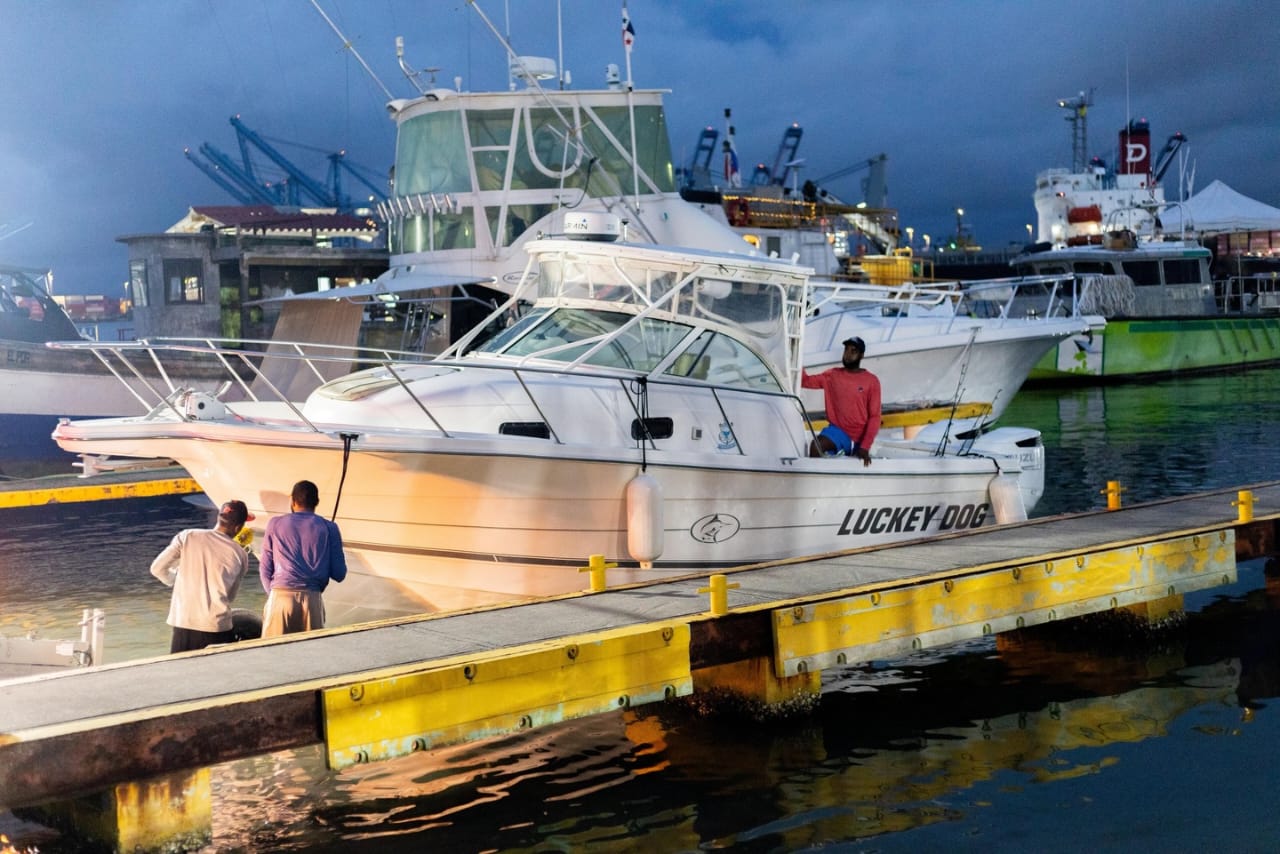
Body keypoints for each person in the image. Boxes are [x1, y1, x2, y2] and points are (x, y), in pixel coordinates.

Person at [150, 499, 254, 653]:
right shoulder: (240, 554)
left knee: (182, 667)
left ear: (219, 518)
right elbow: (230, 596)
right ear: (238, 527)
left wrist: (177, 580)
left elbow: (157, 569)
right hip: (216, 626)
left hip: (183, 622)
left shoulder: (187, 536)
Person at [259, 479, 347, 636]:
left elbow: (265, 569)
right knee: (310, 651)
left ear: (292, 501)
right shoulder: (330, 527)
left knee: (273, 650)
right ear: (317, 502)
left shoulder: (274, 524)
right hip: (311, 600)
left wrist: (273, 595)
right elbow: (339, 574)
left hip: (280, 597)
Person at [800, 336, 882, 465]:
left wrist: (865, 447)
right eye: (846, 350)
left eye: (853, 351)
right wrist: (795, 356)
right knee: (817, 447)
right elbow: (805, 381)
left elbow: (875, 417)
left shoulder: (872, 381)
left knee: (818, 447)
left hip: (857, 438)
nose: (848, 354)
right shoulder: (832, 375)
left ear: (861, 355)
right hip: (837, 432)